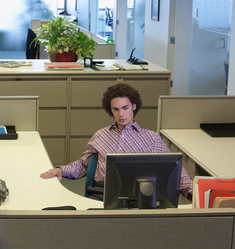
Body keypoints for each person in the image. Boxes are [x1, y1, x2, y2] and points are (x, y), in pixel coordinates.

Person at [39, 83, 193, 199]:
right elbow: (83, 165)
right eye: (116, 109)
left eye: (125, 108)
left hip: (137, 195)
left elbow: (174, 169)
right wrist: (61, 170)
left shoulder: (151, 138)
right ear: (110, 110)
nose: (121, 114)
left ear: (133, 106)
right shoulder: (101, 135)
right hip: (102, 192)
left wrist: (191, 192)